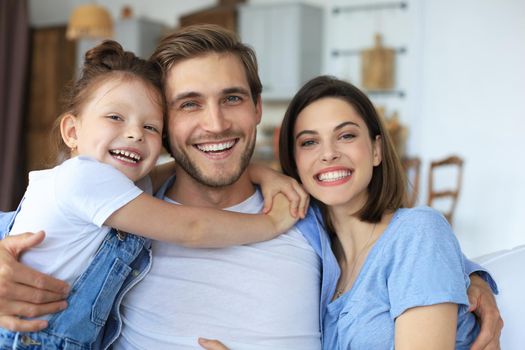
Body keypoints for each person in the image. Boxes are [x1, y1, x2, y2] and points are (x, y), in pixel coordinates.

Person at [0, 25, 502, 350]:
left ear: (257, 110)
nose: (215, 123)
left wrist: (473, 279)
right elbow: (34, 228)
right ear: (164, 124)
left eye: (232, 98)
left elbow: (391, 246)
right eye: (190, 104)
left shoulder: (302, 211)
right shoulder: (132, 214)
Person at [0, 39, 307, 348]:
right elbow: (193, 228)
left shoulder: (131, 186)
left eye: (148, 126)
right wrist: (270, 224)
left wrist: (257, 169)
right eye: (189, 103)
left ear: (257, 108)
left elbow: (168, 170)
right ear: (72, 131)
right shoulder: (83, 178)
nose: (134, 133)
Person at [277, 75, 493, 349]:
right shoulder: (312, 248)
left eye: (346, 135)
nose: (328, 153)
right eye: (309, 142)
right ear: (294, 163)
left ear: (376, 150)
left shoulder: (418, 233)